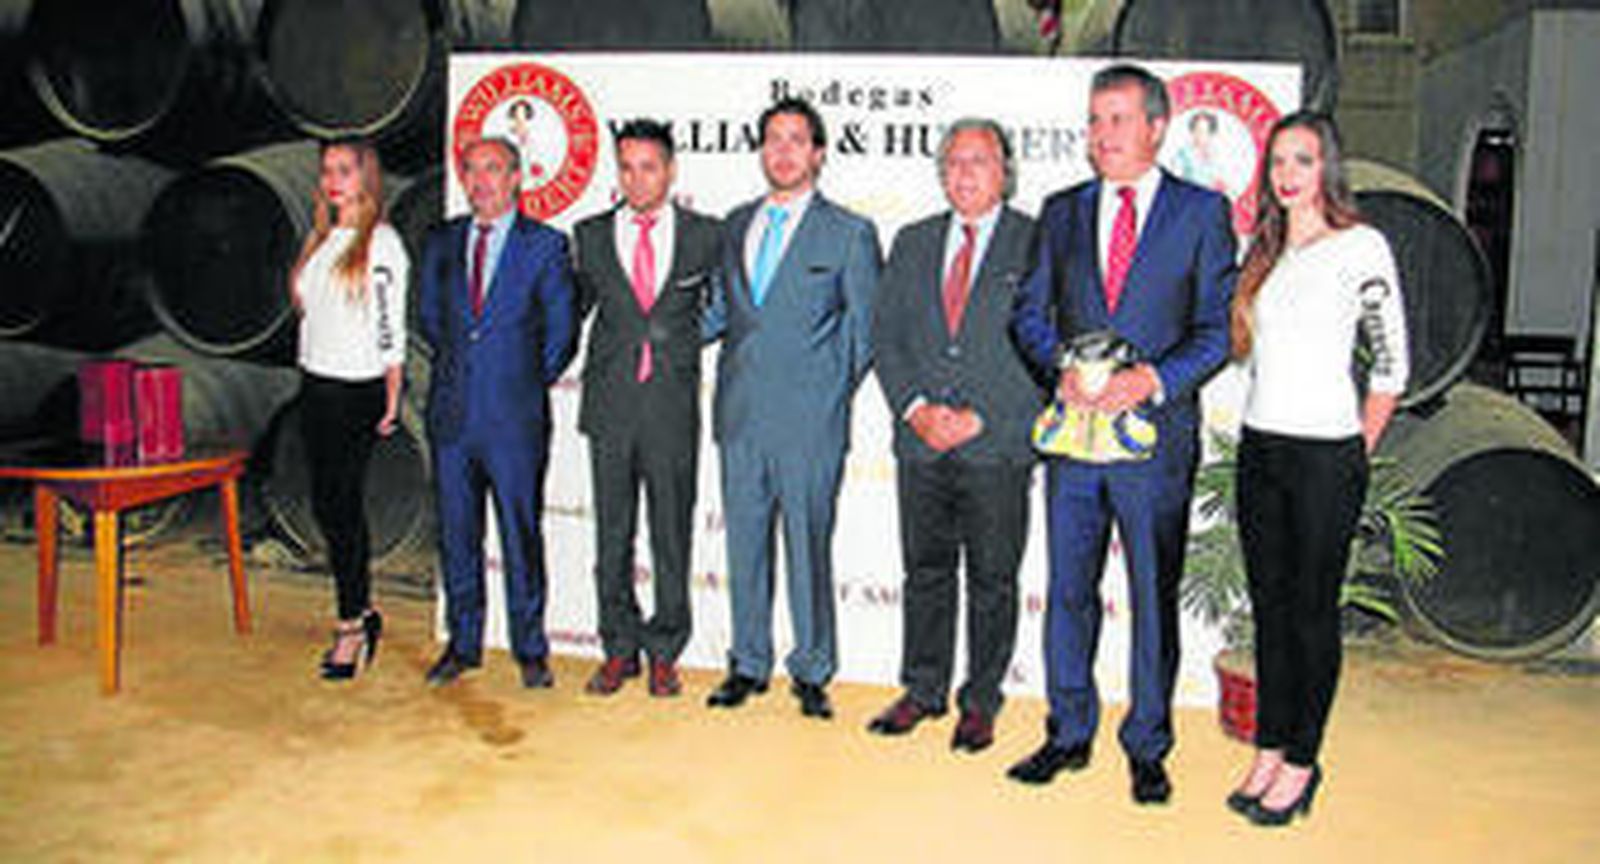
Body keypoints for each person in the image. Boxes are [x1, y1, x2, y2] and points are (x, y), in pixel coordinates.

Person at [1010, 63, 1237, 804]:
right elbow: (1029, 315)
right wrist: (1058, 370)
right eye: (1094, 120)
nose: (1101, 134)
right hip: (1074, 446)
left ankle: (1148, 744)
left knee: (1151, 597)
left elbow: (1216, 332)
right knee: (1068, 592)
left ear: (1157, 127)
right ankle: (1067, 732)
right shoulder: (1061, 211)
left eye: (1117, 119)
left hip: (1155, 446)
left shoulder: (1201, 214)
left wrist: (1152, 381)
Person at [1225, 111, 1408, 827]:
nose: (1287, 175)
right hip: (1261, 450)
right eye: (1277, 162)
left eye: (1302, 160)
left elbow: (1391, 364)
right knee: (1270, 611)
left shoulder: (1361, 246)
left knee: (1310, 615)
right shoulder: (1266, 250)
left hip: (1327, 455)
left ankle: (1303, 761)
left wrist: (1356, 451)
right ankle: (1270, 747)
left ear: (1327, 166)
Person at [867, 119, 1042, 752]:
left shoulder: (1037, 242)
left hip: (996, 445)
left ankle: (981, 700)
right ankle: (922, 689)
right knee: (925, 571)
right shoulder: (912, 241)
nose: (965, 172)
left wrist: (983, 417)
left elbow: (1047, 348)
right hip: (921, 443)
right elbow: (886, 337)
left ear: (1005, 171)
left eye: (979, 160)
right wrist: (915, 409)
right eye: (954, 161)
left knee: (993, 579)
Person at [703, 97, 881, 720]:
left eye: (796, 140)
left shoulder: (850, 232)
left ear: (818, 153)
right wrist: (653, 332)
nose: (783, 152)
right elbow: (721, 312)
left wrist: (826, 393)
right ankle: (748, 663)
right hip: (740, 415)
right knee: (744, 545)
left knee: (808, 546)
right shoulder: (735, 224)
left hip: (811, 422)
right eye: (772, 139)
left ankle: (812, 668)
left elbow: (865, 332)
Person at [418, 136, 578, 689]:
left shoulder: (547, 246)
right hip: (452, 416)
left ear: (516, 178)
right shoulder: (441, 241)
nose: (481, 180)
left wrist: (517, 382)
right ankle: (462, 644)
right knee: (457, 535)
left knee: (520, 534)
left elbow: (561, 336)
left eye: (493, 169)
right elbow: (430, 320)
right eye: (472, 169)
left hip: (515, 420)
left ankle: (530, 648)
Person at [572, 119, 721, 698]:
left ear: (670, 170)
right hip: (610, 406)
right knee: (612, 535)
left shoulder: (705, 236)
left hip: (670, 407)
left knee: (671, 534)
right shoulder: (588, 235)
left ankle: (665, 649)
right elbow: (568, 313)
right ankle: (618, 647)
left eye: (649, 167)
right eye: (627, 167)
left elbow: (724, 306)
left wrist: (680, 343)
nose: (637, 179)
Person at [289, 137, 407, 682]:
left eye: (345, 170)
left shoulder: (382, 243)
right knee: (326, 503)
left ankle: (351, 625)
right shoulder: (320, 239)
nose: (333, 181)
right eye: (327, 171)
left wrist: (392, 392)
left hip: (356, 388)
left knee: (341, 504)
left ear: (367, 177)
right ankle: (359, 608)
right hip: (315, 382)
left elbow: (389, 324)